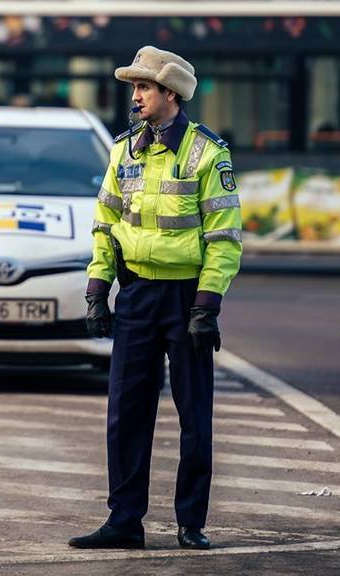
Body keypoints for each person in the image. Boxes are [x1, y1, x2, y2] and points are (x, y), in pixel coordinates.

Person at [69, 46, 242, 551]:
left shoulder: (208, 154)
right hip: (138, 295)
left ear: (170, 93)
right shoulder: (124, 150)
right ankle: (124, 522)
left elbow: (224, 239)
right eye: (134, 87)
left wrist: (207, 306)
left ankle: (191, 523)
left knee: (195, 415)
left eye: (144, 87)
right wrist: (98, 290)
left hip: (188, 299)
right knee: (125, 412)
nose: (136, 95)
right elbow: (106, 225)